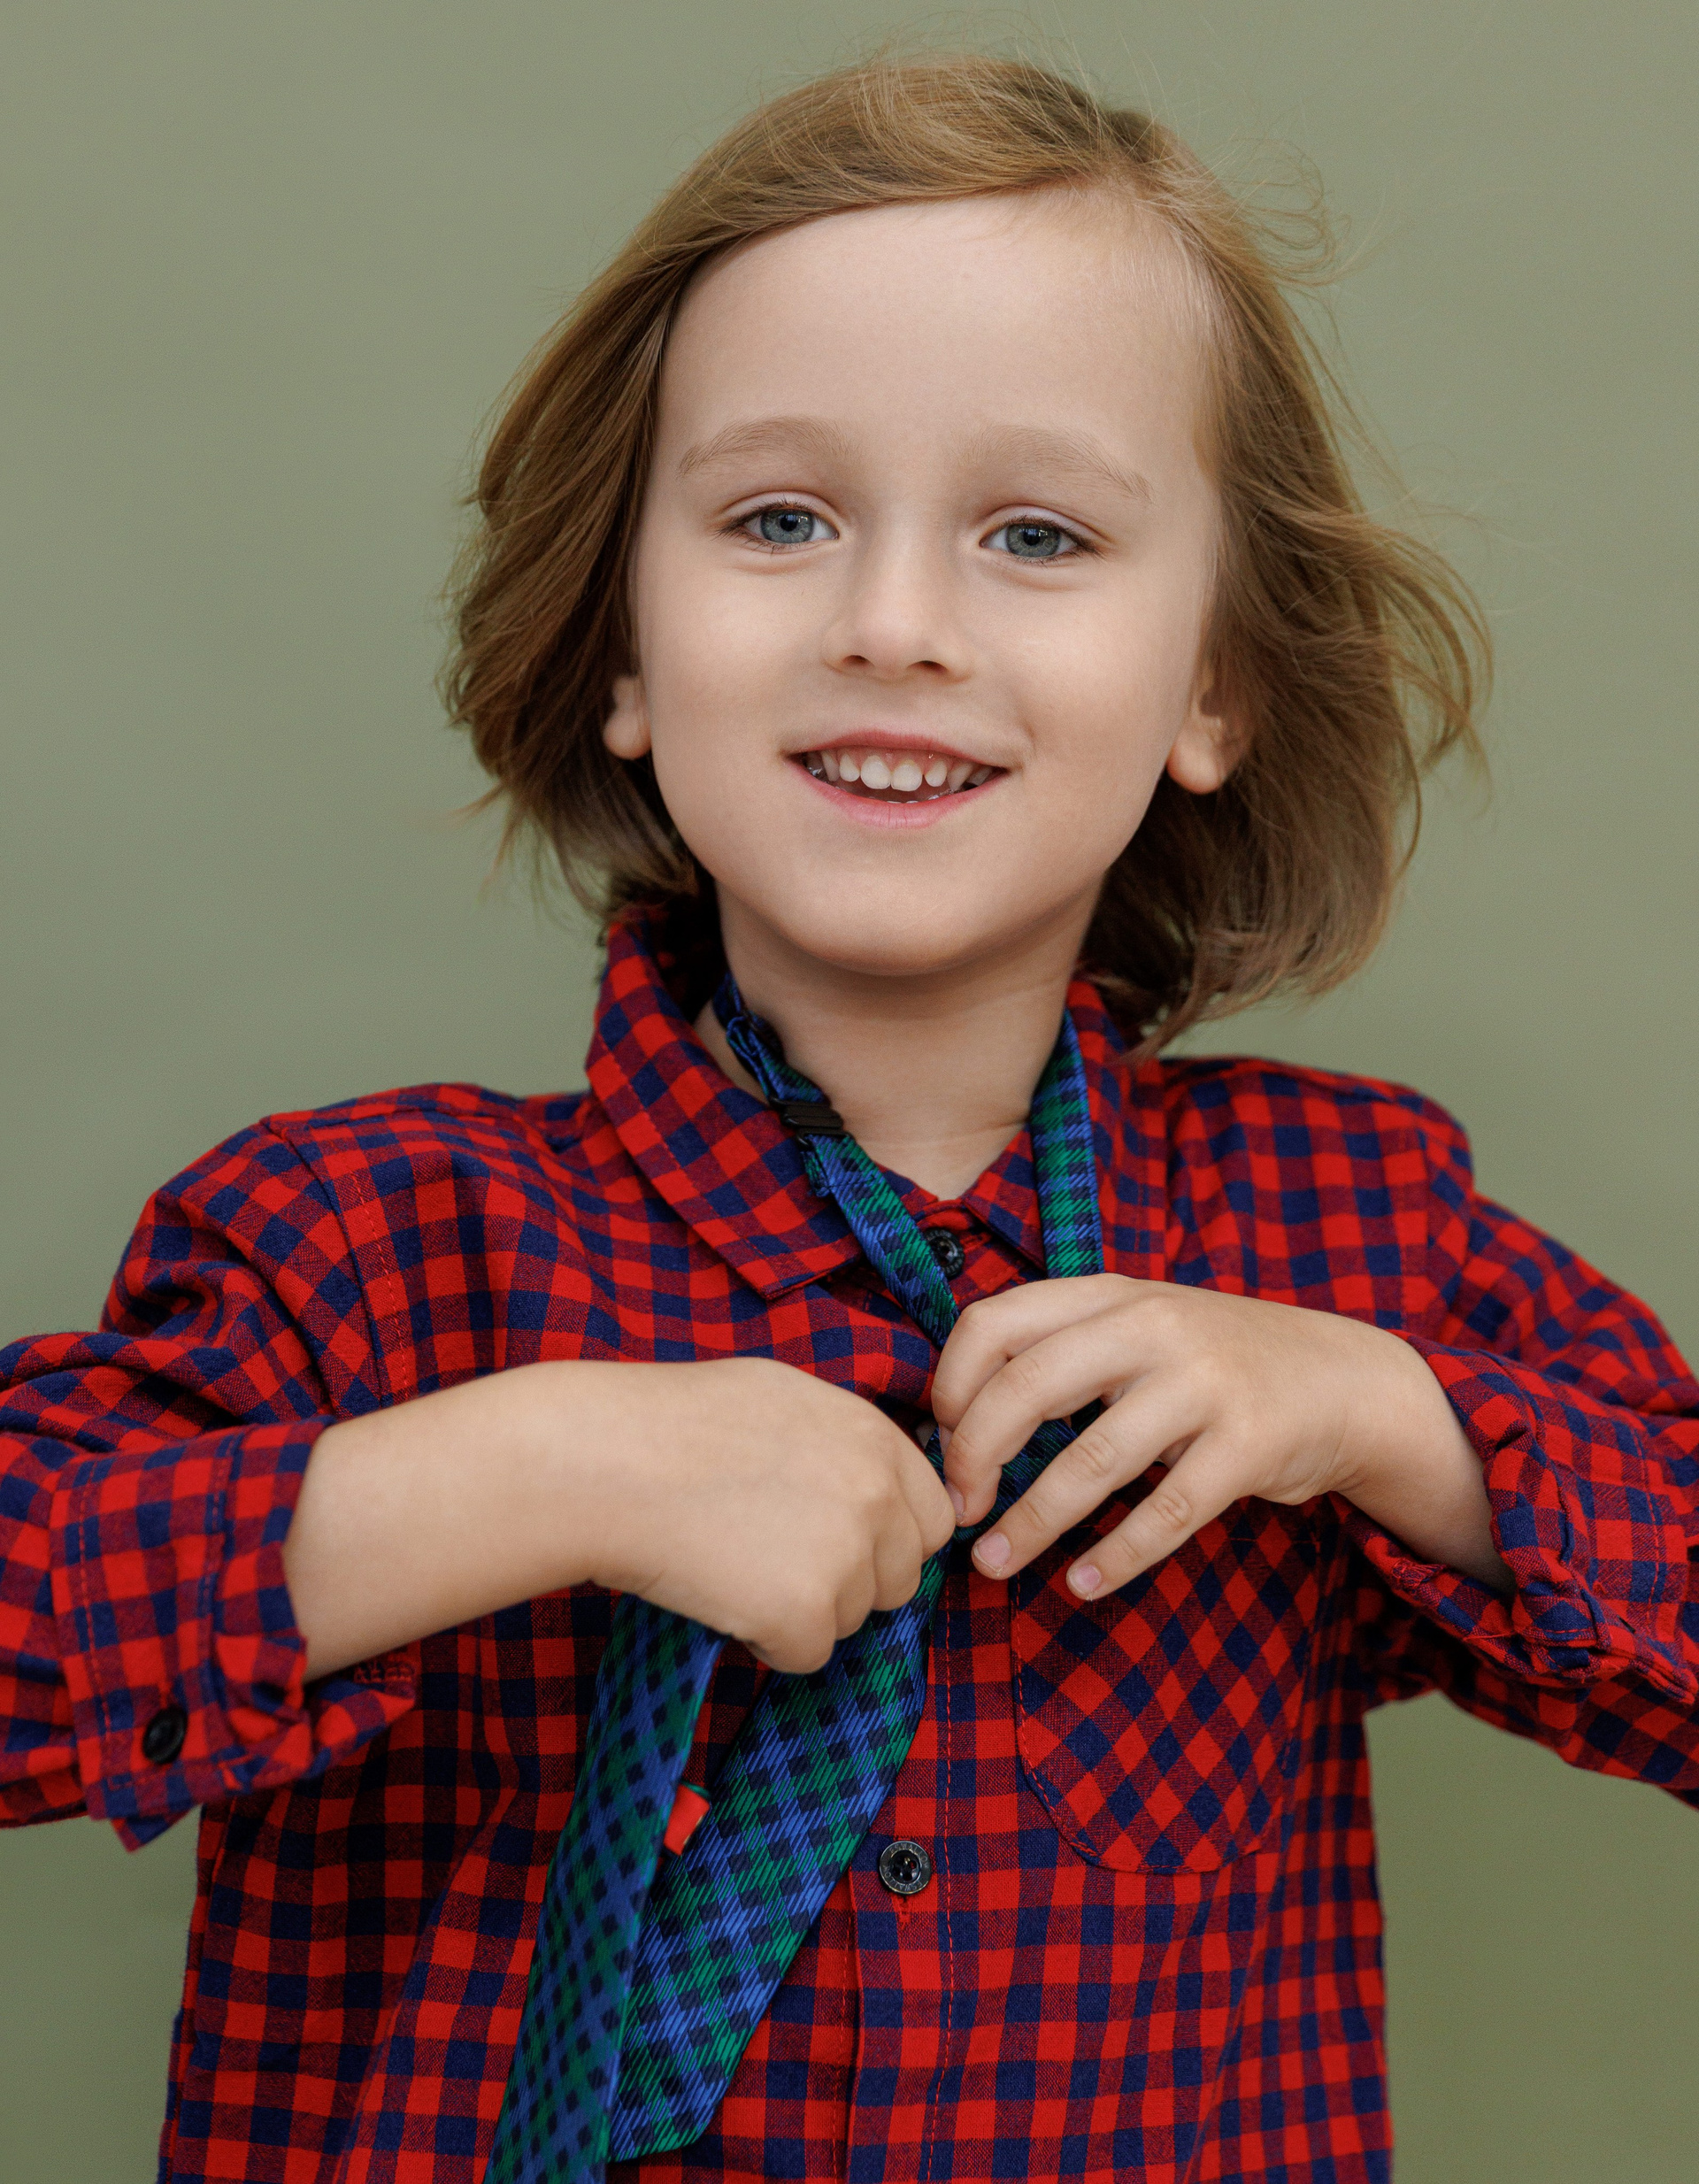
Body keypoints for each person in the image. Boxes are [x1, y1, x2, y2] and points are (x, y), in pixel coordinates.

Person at [2, 50, 1695, 2184]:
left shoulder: (1350, 1244)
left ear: (1213, 686)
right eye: (779, 520)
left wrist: (1386, 1419)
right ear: (626, 646)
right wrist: (531, 1468)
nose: (893, 626)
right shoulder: (356, 1247)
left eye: (1037, 534)